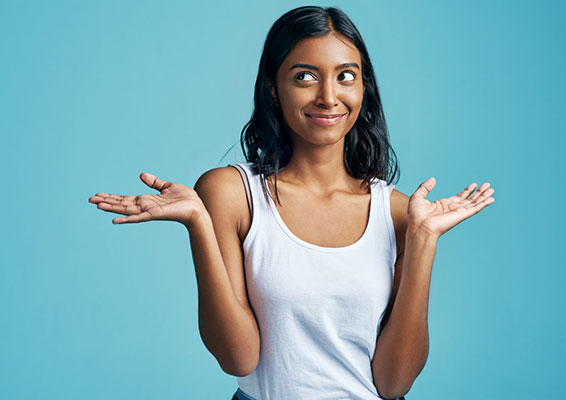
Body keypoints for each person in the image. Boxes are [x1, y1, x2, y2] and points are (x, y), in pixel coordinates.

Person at [88, 6, 495, 400]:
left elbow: (393, 384)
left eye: (346, 76)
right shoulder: (230, 193)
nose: (328, 97)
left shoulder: (399, 212)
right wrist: (198, 222)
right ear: (273, 87)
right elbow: (238, 357)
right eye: (305, 77)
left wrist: (424, 241)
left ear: (364, 88)